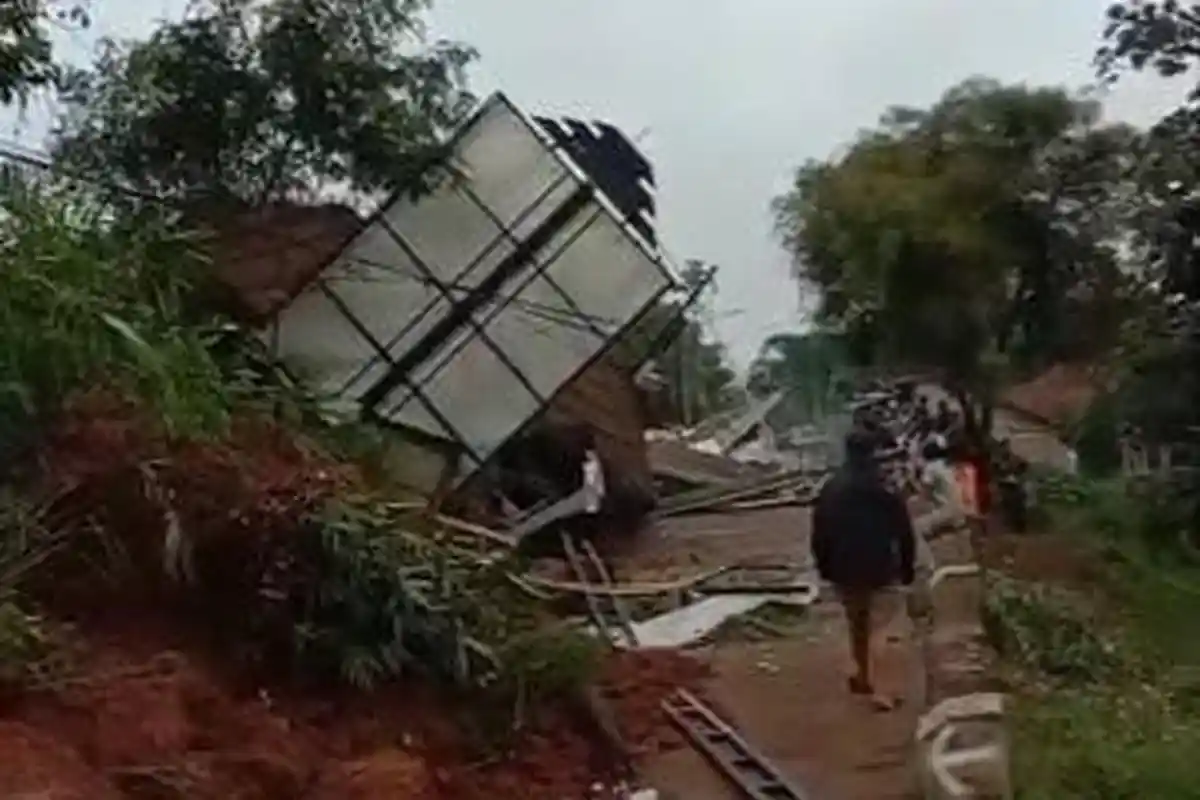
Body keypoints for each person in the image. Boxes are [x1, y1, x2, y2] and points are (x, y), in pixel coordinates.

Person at [811, 430, 916, 711]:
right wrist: (907, 567)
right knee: (881, 627)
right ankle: (882, 691)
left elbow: (820, 532)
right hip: (881, 566)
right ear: (873, 453)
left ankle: (863, 675)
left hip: (844, 569)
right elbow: (904, 531)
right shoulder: (884, 487)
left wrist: (824, 566)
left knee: (857, 624)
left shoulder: (831, 488)